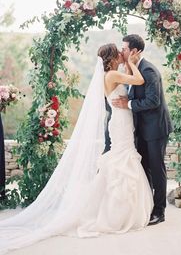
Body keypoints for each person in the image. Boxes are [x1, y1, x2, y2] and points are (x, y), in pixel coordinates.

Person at [0, 43, 153, 254]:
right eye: (118, 53)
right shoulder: (110, 76)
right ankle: (113, 212)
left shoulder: (112, 74)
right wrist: (131, 62)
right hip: (120, 122)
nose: (121, 54)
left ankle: (117, 207)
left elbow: (127, 80)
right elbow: (139, 80)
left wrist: (126, 65)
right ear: (112, 58)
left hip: (122, 120)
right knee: (121, 158)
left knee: (121, 158)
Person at [112, 34, 173, 225]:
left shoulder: (148, 71)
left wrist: (128, 104)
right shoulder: (133, 69)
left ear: (135, 51)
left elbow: (153, 101)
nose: (122, 52)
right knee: (144, 168)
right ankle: (146, 206)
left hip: (156, 128)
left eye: (125, 49)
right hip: (141, 129)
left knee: (157, 169)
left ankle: (160, 212)